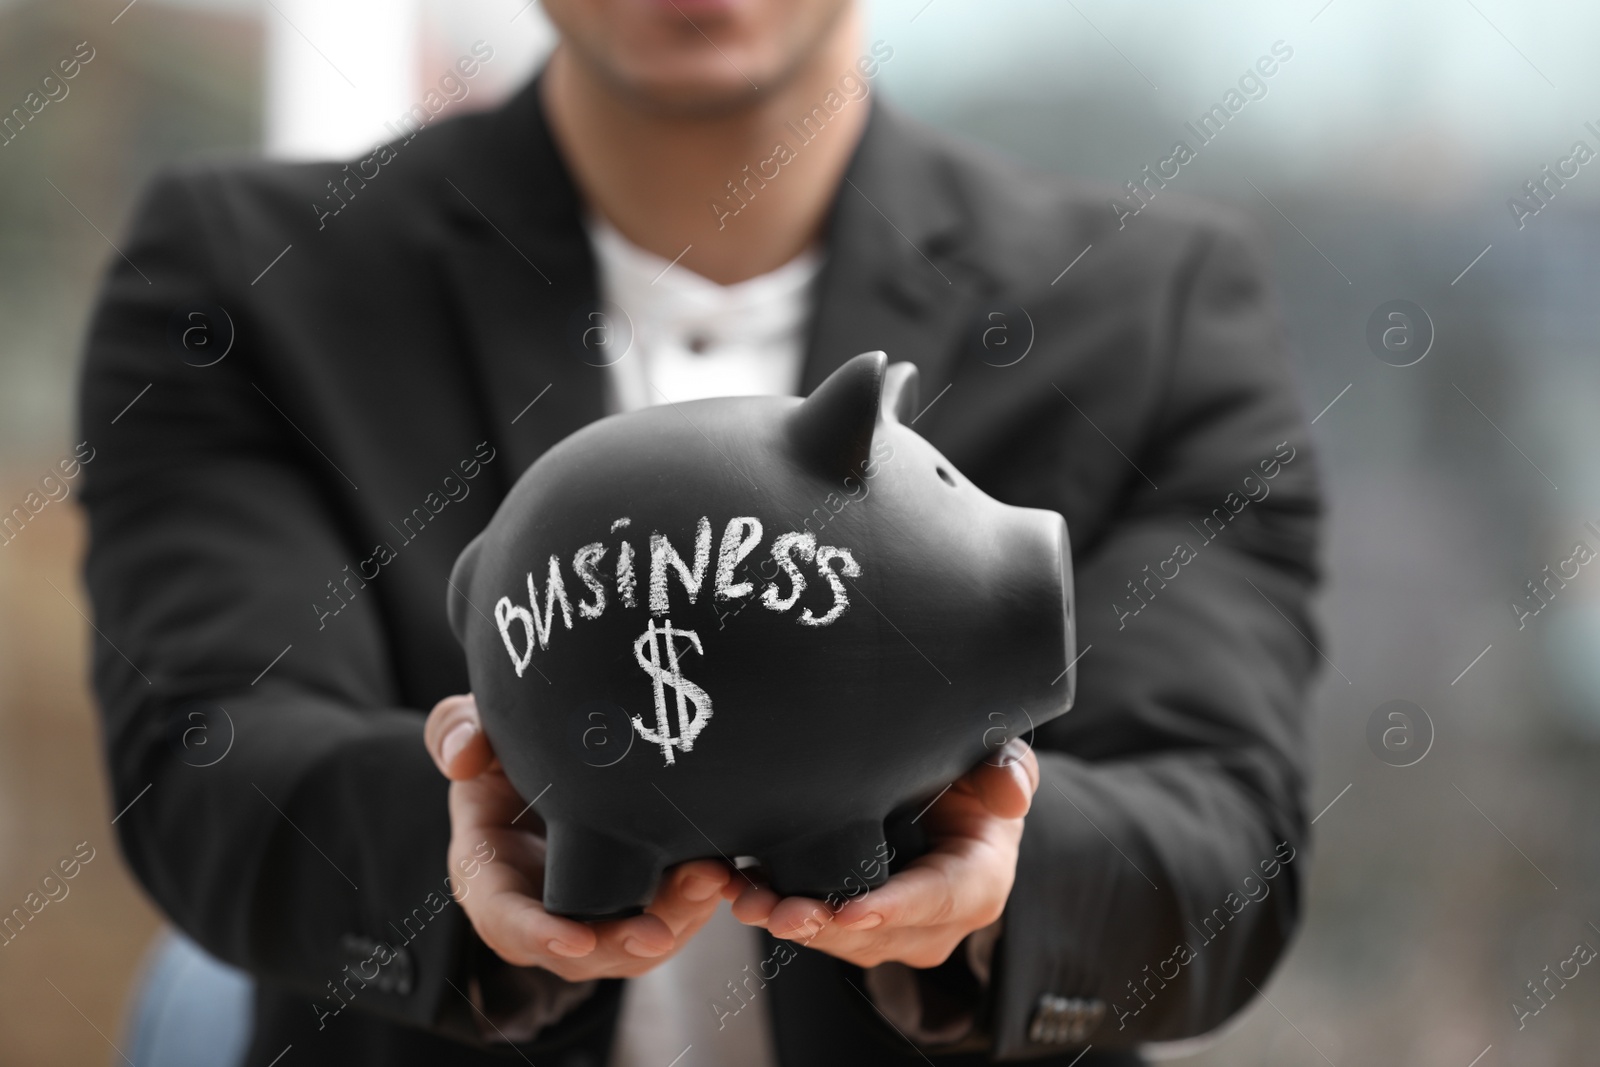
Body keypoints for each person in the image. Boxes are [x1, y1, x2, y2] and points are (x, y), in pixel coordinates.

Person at [78, 1, 1323, 1065]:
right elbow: (208, 755)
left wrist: (987, 883)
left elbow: (1220, 834)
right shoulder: (251, 277)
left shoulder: (1151, 307)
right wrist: (466, 834)